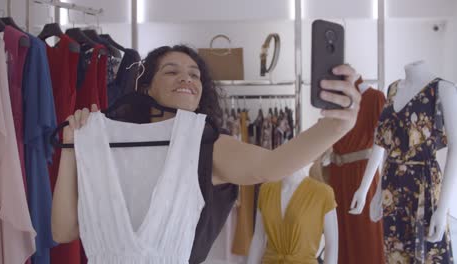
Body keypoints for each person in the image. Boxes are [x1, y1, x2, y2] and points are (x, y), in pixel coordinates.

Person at [51, 45, 361, 262]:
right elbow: (63, 231)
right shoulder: (109, 143)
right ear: (146, 87)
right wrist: (70, 145)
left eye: (195, 74)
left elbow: (272, 165)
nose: (186, 79)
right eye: (171, 71)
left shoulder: (205, 145)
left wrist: (337, 125)